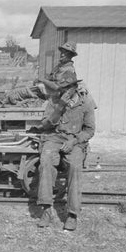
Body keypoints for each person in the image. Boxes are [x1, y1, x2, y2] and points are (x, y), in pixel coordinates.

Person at [35, 71, 96, 231]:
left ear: (75, 87)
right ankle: (46, 209)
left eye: (68, 88)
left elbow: (89, 130)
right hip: (55, 138)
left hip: (75, 140)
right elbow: (46, 125)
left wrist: (75, 141)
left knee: (75, 167)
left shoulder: (86, 102)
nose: (65, 91)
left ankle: (72, 215)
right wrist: (60, 106)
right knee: (46, 162)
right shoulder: (54, 101)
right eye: (62, 87)